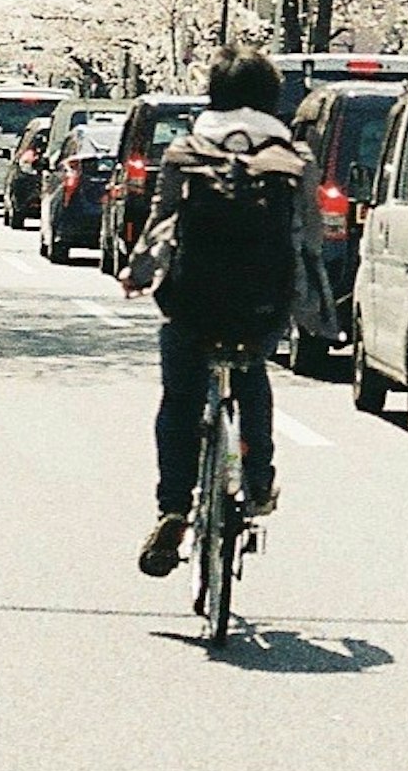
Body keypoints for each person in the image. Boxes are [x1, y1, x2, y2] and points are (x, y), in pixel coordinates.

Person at [124, 51, 310, 578]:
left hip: (192, 297)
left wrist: (138, 273)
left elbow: (162, 221)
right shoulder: (292, 155)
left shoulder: (187, 150)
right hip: (261, 301)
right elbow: (310, 237)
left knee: (180, 398)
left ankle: (174, 507)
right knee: (252, 377)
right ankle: (256, 479)